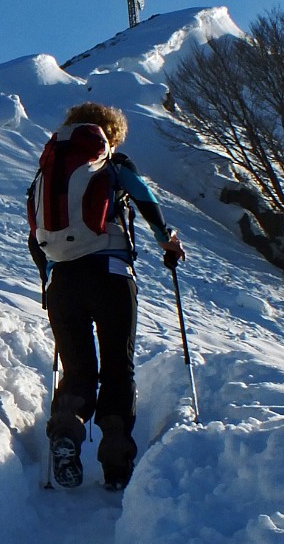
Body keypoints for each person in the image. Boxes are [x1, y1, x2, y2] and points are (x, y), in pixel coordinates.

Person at [26, 102, 185, 489]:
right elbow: (145, 198)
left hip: (63, 281)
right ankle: (115, 463)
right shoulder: (114, 163)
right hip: (111, 276)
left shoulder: (46, 172)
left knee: (78, 370)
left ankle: (66, 431)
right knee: (118, 368)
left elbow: (35, 234)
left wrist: (49, 279)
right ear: (109, 133)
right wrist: (169, 243)